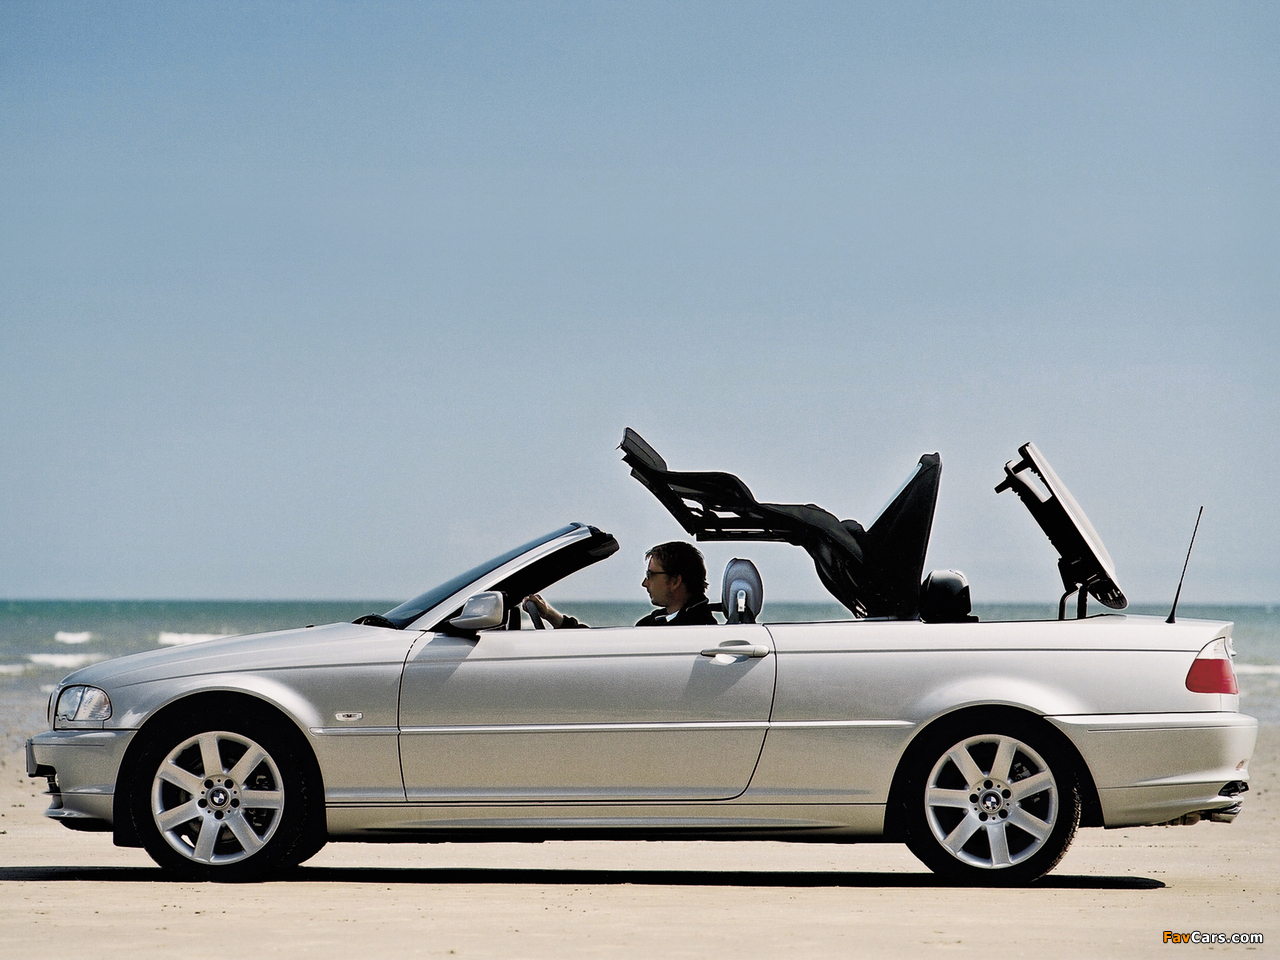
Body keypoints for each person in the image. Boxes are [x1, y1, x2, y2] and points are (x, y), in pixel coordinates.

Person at [526, 541, 717, 628]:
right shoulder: (657, 621)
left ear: (675, 581)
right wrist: (550, 614)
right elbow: (598, 646)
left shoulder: (698, 630)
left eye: (651, 575)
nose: (644, 583)